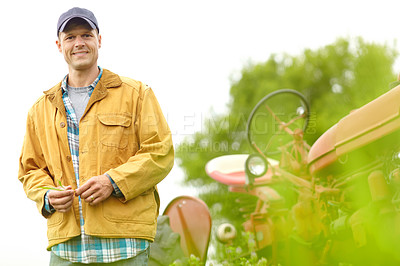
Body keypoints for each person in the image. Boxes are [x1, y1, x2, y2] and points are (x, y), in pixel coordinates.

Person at [18, 7, 174, 265]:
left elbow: (160, 152)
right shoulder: (40, 110)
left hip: (126, 246)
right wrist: (47, 195)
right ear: (59, 45)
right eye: (70, 37)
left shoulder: (136, 94)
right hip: (66, 251)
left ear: (98, 40)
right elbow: (30, 169)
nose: (79, 43)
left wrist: (112, 182)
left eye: (86, 35)